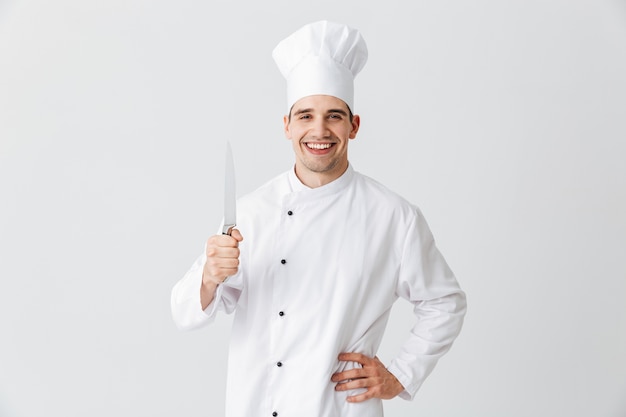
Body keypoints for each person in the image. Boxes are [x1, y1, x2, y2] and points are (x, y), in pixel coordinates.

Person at [171, 20, 466, 417]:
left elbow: (445, 302)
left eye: (334, 116)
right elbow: (183, 312)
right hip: (256, 406)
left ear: (354, 126)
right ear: (287, 127)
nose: (320, 130)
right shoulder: (250, 212)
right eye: (306, 116)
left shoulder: (393, 216)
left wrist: (401, 374)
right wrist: (209, 276)